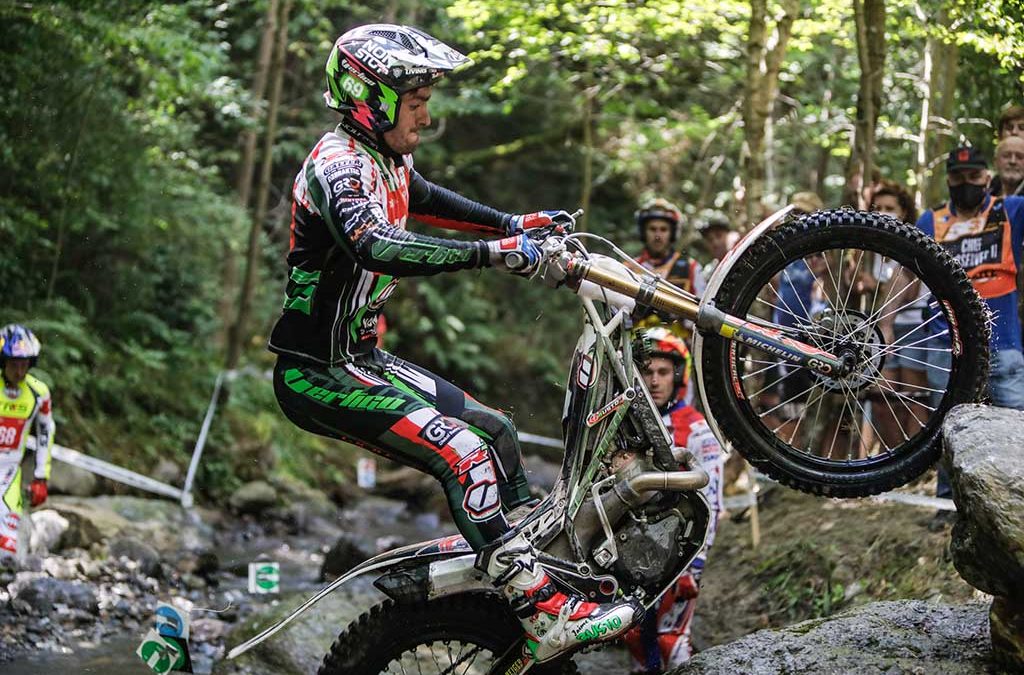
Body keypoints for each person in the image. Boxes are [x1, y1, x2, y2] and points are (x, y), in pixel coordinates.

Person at [266, 24, 639, 662]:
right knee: (465, 454)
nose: (428, 116)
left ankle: (531, 570)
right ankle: (538, 609)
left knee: (496, 430)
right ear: (371, 98)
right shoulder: (336, 166)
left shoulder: (386, 159)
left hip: (363, 361)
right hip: (316, 376)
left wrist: (511, 222)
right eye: (416, 103)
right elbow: (377, 245)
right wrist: (494, 252)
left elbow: (423, 198)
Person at [917, 145, 1024, 521]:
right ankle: (948, 505)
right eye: (959, 178)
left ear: (987, 176)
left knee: (1015, 427)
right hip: (945, 345)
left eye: (974, 177)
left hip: (1004, 342)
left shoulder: (1010, 210)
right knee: (946, 430)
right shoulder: (928, 221)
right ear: (948, 179)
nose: (966, 184)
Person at [624, 328, 723, 673]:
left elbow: (713, 501)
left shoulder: (697, 429)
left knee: (671, 639)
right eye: (647, 372)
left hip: (679, 551)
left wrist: (696, 564)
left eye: (663, 372)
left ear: (678, 375)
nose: (654, 381)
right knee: (634, 638)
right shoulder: (623, 424)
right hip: (631, 549)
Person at [0, 324, 54, 563]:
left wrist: (41, 476)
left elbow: (46, 432)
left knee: (8, 550)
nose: (19, 370)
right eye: (14, 363)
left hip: (10, 472)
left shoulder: (39, 392)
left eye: (25, 364)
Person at [633, 199, 707, 341]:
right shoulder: (630, 267)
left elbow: (703, 313)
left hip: (679, 349)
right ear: (644, 232)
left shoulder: (690, 268)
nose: (658, 235)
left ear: (672, 233)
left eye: (663, 229)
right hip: (636, 346)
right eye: (652, 229)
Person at [696, 212, 737, 281]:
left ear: (728, 235)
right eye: (710, 240)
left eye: (719, 235)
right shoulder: (709, 274)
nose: (715, 243)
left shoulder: (743, 258)